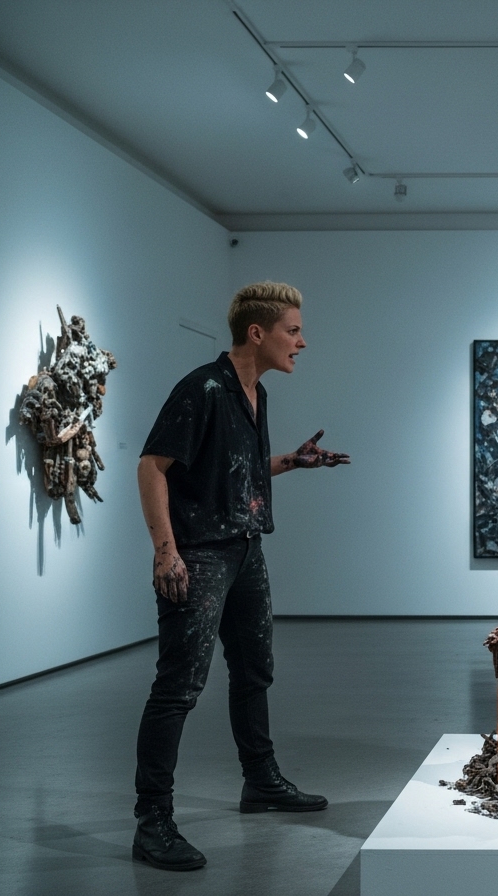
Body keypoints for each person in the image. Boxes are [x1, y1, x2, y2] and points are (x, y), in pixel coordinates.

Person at [132, 282, 350, 871]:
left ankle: (261, 782)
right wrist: (164, 551)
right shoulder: (202, 388)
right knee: (178, 687)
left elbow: (239, 471)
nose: (302, 342)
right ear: (258, 332)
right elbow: (152, 466)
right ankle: (152, 821)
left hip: (246, 551)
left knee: (254, 671)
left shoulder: (255, 394)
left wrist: (292, 463)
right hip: (198, 556)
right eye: (293, 330)